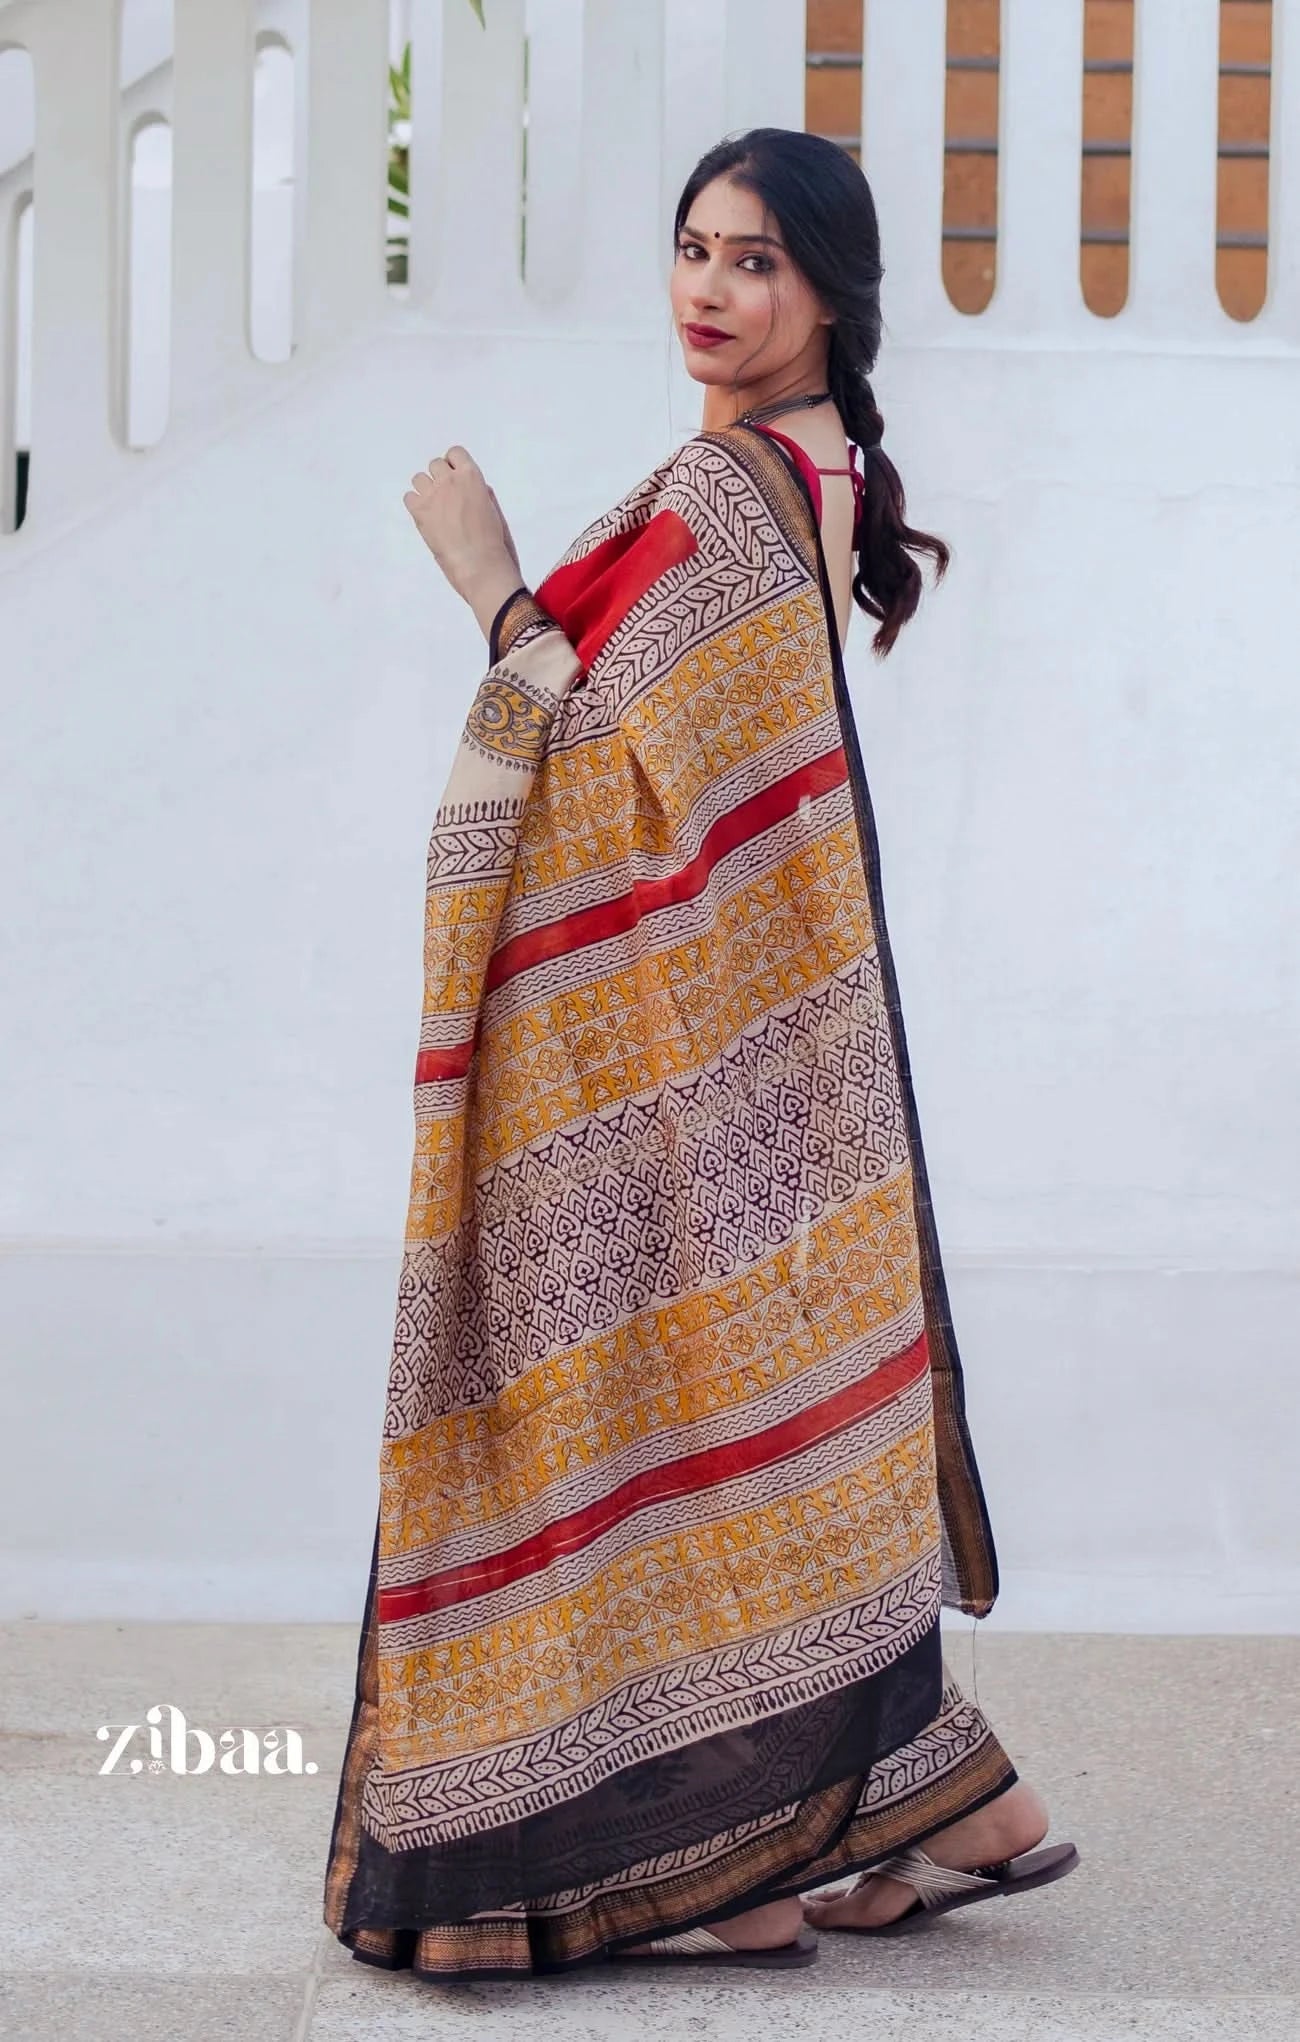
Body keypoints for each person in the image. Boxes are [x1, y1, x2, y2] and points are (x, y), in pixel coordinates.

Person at [322, 126, 1078, 1981]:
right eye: (693, 249)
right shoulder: (794, 471)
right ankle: (900, 1819)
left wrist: (493, 590)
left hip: (694, 1050)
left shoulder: (741, 493)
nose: (710, 290)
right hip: (745, 1040)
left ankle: (759, 1850)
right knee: (748, 1404)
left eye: (755, 261)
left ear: (829, 295)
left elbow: (607, 760)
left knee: (683, 1403)